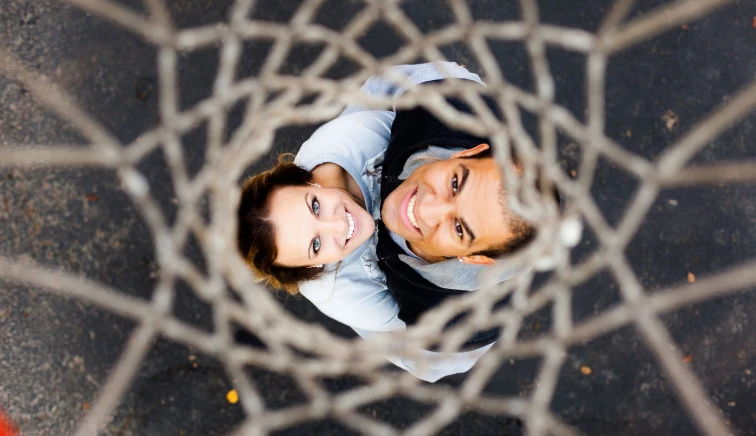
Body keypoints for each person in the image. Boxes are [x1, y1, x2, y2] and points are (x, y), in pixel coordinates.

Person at [237, 63, 540, 381]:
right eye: (315, 244)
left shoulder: (349, 139)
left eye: (315, 206)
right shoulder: (348, 294)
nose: (337, 225)